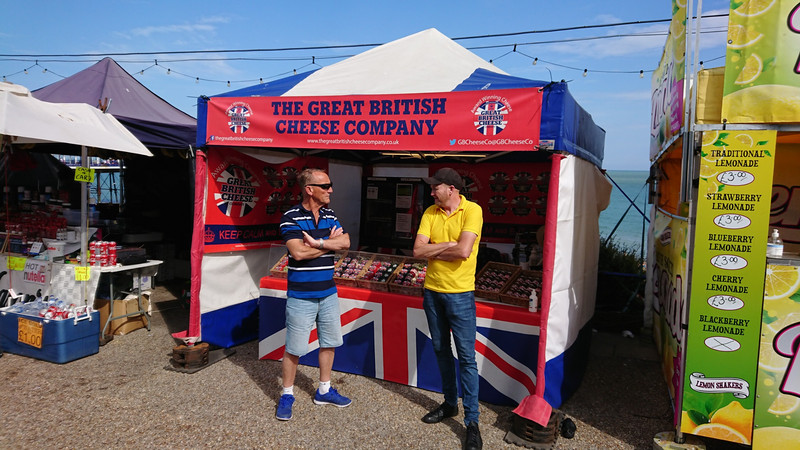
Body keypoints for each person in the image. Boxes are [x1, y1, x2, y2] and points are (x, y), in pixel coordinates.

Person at [413, 167, 484, 450]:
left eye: (435, 187)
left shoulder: (473, 210)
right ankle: (449, 404)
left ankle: (473, 422)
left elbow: (464, 251)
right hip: (432, 292)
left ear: (452, 189)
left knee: (466, 358)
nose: (431, 192)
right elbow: (417, 252)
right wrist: (449, 245)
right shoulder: (431, 212)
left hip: (460, 294)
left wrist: (436, 247)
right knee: (442, 351)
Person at [275, 168, 352, 421]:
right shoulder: (291, 217)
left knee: (328, 342)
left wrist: (317, 244)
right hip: (301, 294)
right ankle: (287, 394)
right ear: (309, 190)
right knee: (294, 348)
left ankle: (324, 390)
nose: (331, 190)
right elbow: (297, 253)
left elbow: (346, 244)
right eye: (326, 185)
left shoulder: (330, 214)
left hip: (328, 292)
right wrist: (328, 245)